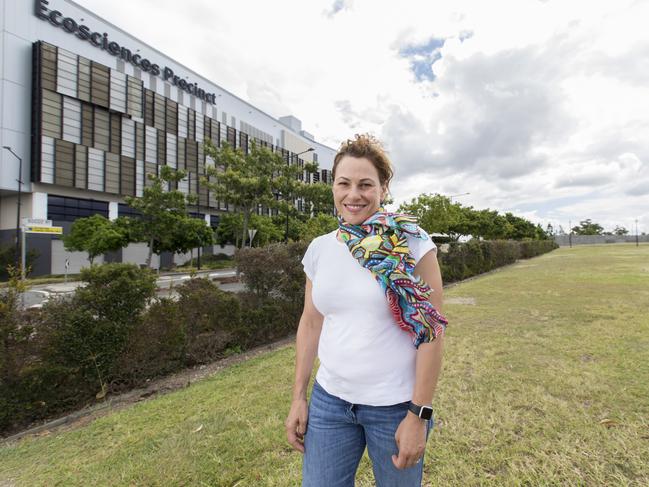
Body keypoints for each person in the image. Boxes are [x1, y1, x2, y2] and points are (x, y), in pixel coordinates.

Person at [285, 134, 448, 486]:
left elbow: (431, 332)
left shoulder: (411, 243)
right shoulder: (320, 249)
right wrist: (299, 396)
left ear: (383, 188)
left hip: (394, 408)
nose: (353, 194)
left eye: (365, 184)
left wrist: (418, 415)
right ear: (332, 187)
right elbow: (311, 322)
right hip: (330, 403)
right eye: (344, 183)